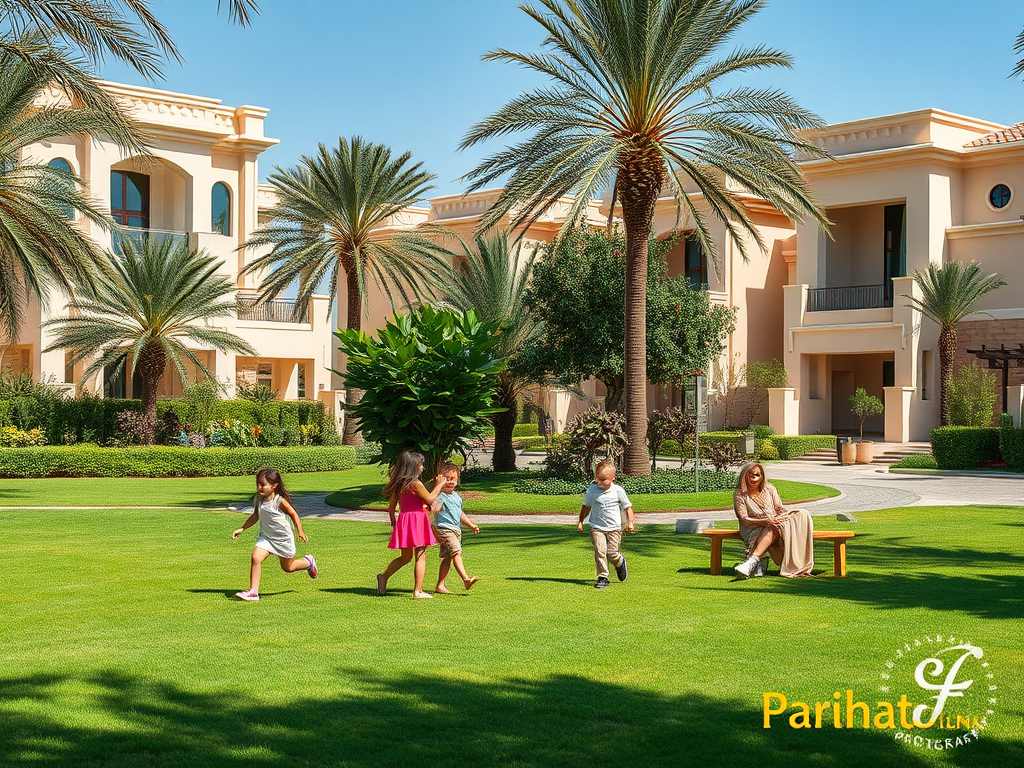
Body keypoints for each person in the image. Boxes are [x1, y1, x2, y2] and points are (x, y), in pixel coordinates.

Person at [232, 467, 317, 601]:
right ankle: (253, 592)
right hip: (266, 537)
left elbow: (293, 514)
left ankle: (308, 563)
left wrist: (300, 531)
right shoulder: (258, 500)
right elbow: (255, 516)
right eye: (257, 484)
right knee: (255, 558)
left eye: (263, 484)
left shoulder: (279, 501)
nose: (259, 487)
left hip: (283, 539)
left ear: (274, 485)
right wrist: (242, 528)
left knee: (288, 567)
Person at [377, 451, 445, 599]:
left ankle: (383, 577)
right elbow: (429, 499)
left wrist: (393, 519)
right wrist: (439, 485)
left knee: (405, 557)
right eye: (421, 465)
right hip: (417, 520)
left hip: (405, 520)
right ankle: (418, 591)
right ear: (414, 467)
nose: (422, 468)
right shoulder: (416, 483)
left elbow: (392, 503)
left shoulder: (400, 483)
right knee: (420, 555)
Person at [732, 462, 814, 578]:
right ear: (745, 475)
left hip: (773, 525)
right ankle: (754, 562)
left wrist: (783, 516)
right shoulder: (740, 495)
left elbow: (779, 508)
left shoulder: (769, 489)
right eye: (751, 474)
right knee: (771, 528)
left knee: (801, 514)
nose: (754, 478)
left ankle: (753, 562)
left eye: (757, 475)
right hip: (751, 527)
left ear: (762, 477)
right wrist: (765, 521)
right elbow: (744, 519)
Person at [577, 460, 635, 589]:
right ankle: (603, 577)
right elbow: (586, 507)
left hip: (614, 528)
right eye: (598, 479)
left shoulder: (618, 491)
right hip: (597, 527)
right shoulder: (592, 490)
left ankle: (619, 562)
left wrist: (630, 522)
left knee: (612, 553)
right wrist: (581, 521)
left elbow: (628, 507)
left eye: (604, 480)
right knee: (600, 551)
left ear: (612, 478)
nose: (600, 483)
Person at [430, 463, 480, 594]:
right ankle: (466, 579)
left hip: (455, 530)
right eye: (446, 479)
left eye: (453, 479)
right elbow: (434, 508)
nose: (450, 482)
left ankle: (440, 585)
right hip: (444, 529)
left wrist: (471, 525)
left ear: (457, 480)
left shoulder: (457, 497)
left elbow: (460, 513)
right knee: (456, 552)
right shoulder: (440, 496)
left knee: (448, 557)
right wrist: (435, 491)